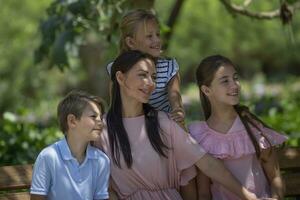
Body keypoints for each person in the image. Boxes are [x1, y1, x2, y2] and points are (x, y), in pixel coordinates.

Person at [94, 50, 258, 200]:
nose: (151, 83)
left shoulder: (163, 122)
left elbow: (208, 163)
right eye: (143, 75)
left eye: (154, 77)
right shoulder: (101, 130)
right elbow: (104, 188)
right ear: (121, 78)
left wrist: (249, 197)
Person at [189, 55, 287, 200]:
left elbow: (275, 177)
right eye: (225, 81)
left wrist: (275, 197)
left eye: (235, 78)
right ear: (207, 90)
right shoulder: (200, 136)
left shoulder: (252, 127)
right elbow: (204, 193)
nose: (235, 85)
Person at [106, 9, 185, 128]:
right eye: (149, 36)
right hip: (132, 128)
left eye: (158, 34)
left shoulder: (169, 67)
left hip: (165, 129)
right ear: (131, 42)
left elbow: (175, 96)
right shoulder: (118, 69)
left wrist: (178, 110)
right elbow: (115, 103)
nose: (157, 40)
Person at [30, 90, 110, 200]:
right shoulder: (48, 157)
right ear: (72, 121)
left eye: (101, 117)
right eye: (93, 116)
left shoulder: (101, 160)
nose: (100, 122)